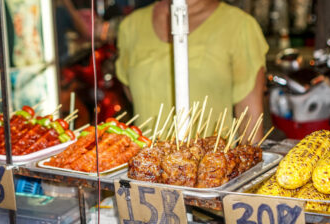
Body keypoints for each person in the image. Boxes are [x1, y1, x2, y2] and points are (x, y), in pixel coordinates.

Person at [115, 0, 268, 141]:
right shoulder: (131, 26)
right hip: (146, 167)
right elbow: (134, 96)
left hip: (210, 166)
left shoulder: (239, 25)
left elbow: (249, 118)